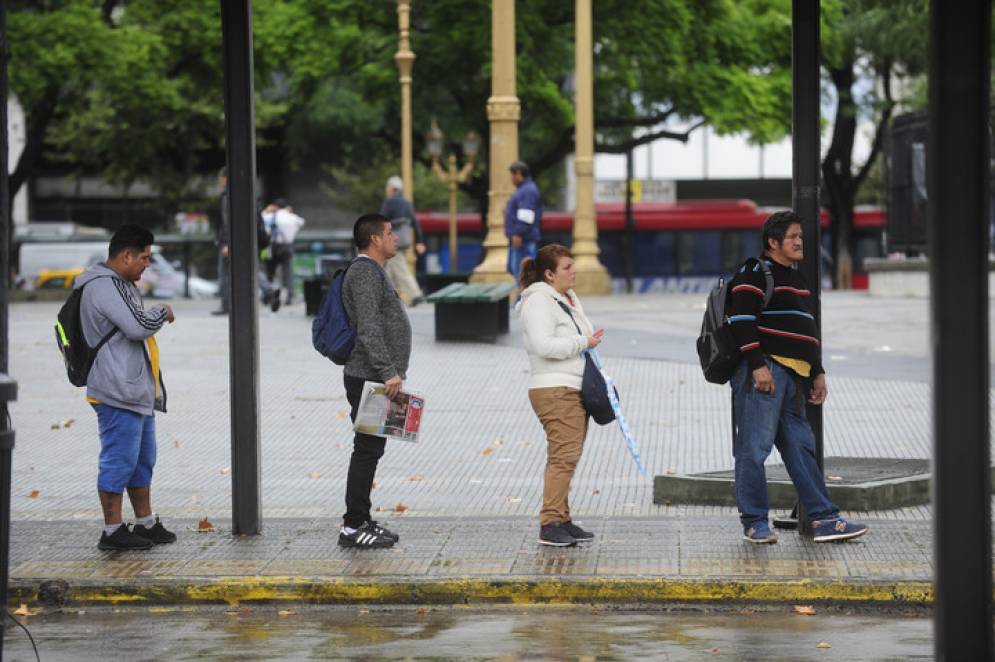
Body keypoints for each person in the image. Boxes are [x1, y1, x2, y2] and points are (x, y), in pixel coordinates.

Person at [727, 210, 868, 544]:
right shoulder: (754, 271)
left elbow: (806, 328)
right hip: (765, 372)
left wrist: (817, 371)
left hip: (794, 376)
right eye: (792, 237)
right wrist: (758, 365)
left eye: (800, 237)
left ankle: (824, 519)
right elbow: (741, 319)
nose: (799, 242)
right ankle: (755, 522)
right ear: (773, 242)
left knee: (801, 449)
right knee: (753, 449)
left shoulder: (796, 277)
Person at [74, 224, 177, 551]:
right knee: (119, 460)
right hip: (116, 390)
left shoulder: (122, 283)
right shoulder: (103, 285)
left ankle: (144, 522)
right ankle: (112, 530)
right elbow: (137, 326)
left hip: (135, 389)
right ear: (126, 255)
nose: (147, 264)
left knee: (142, 458)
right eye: (144, 258)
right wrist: (162, 310)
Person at [517, 244, 603, 547]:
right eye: (567, 267)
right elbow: (543, 345)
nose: (574, 271)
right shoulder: (539, 300)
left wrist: (584, 342)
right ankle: (550, 522)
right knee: (563, 457)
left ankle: (562, 518)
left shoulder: (564, 298)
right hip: (554, 389)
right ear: (549, 273)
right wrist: (583, 342)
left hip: (571, 386)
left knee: (569, 456)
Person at [338, 213, 412, 549]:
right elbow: (368, 327)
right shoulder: (365, 273)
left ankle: (362, 519)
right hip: (369, 375)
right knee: (366, 451)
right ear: (375, 239)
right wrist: (388, 371)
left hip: (375, 374)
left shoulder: (372, 271)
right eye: (390, 233)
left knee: (372, 450)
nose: (395, 238)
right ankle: (353, 526)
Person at [379, 176, 426, 306]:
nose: (386, 190)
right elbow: (415, 223)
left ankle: (416, 294)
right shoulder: (407, 203)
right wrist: (419, 242)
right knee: (390, 270)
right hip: (404, 241)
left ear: (393, 189)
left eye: (387, 188)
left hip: (392, 242)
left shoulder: (389, 203)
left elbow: (381, 221)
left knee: (400, 269)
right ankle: (387, 298)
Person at [505, 161, 543, 281]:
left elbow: (526, 215)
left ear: (519, 173)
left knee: (523, 276)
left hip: (523, 239)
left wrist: (518, 233)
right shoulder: (525, 190)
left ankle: (522, 300)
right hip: (523, 238)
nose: (511, 178)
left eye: (512, 175)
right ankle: (521, 299)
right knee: (520, 273)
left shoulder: (527, 191)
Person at [264, 198, 305, 306]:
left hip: (273, 246)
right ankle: (289, 297)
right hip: (287, 245)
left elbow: (262, 220)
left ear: (275, 206)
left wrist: (267, 211)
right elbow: (301, 222)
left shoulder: (270, 216)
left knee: (270, 272)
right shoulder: (292, 217)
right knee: (288, 272)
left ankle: (269, 296)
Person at [211, 167, 230, 316]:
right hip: (232, 241)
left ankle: (225, 304)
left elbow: (226, 223)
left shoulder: (226, 197)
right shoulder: (238, 194)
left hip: (227, 242)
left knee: (223, 274)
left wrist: (225, 243)